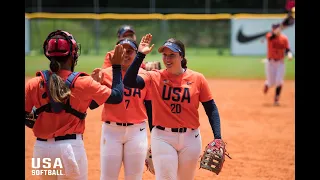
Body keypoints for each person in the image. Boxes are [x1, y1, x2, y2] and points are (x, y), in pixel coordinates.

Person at [25, 29, 125, 180]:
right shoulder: (83, 83)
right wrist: (116, 67)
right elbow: (117, 96)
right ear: (73, 55)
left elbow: (27, 118)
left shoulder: (33, 83)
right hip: (69, 148)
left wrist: (41, 121)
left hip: (42, 149)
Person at [123, 34, 225, 180]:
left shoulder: (197, 79)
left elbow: (211, 108)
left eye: (172, 55)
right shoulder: (155, 76)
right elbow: (129, 81)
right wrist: (140, 55)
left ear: (181, 57)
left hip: (191, 139)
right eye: (165, 55)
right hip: (163, 138)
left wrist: (218, 137)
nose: (167, 59)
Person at [89, 37, 153, 180]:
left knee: (134, 177)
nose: (125, 53)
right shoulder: (105, 74)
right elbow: (92, 105)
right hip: (111, 132)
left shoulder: (144, 76)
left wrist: (156, 138)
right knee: (108, 177)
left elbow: (150, 108)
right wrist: (95, 87)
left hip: (137, 132)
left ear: (137, 54)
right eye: (121, 50)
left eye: (129, 51)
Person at [263, 23, 293, 106]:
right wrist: (276, 31)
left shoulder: (284, 38)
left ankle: (276, 99)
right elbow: (272, 36)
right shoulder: (269, 36)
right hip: (270, 63)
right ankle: (267, 84)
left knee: (279, 81)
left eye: (276, 28)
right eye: (274, 28)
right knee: (271, 82)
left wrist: (289, 54)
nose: (275, 30)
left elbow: (287, 49)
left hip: (280, 62)